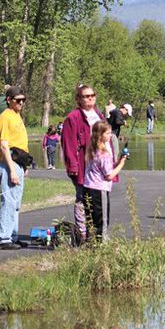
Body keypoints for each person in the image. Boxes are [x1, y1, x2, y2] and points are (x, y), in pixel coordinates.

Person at [62, 85, 106, 240]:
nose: (90, 98)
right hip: (82, 165)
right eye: (86, 96)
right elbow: (68, 143)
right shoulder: (73, 118)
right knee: (82, 198)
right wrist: (72, 165)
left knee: (96, 200)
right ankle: (82, 233)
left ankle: (96, 233)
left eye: (92, 95)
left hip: (98, 167)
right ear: (78, 99)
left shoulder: (98, 115)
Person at [0, 86, 29, 250]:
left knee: (16, 203)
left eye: (23, 100)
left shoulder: (17, 115)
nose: (21, 103)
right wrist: (12, 170)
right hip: (9, 163)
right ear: (9, 100)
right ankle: (3, 238)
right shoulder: (5, 117)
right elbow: (4, 145)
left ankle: (12, 236)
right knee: (8, 201)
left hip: (18, 162)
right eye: (18, 100)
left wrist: (23, 166)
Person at [83, 121, 128, 241]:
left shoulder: (92, 150)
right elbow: (109, 175)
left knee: (91, 218)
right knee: (102, 219)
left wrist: (117, 162)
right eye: (108, 133)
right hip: (99, 190)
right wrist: (122, 164)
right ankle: (102, 242)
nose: (110, 135)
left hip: (88, 187)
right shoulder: (104, 153)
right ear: (100, 135)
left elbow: (103, 167)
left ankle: (90, 241)